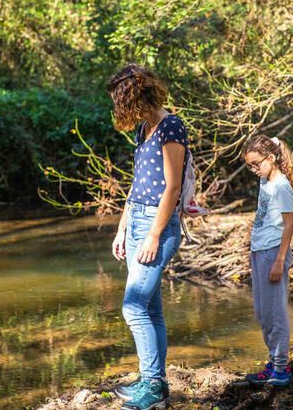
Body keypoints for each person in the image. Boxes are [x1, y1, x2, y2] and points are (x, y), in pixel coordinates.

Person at [107, 63, 188, 410]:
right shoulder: (144, 128)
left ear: (135, 96)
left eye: (119, 100)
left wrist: (153, 235)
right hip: (138, 219)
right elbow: (138, 184)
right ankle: (152, 382)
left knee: (134, 307)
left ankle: (153, 387)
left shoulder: (171, 126)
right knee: (151, 309)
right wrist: (123, 227)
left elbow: (172, 187)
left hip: (159, 225)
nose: (117, 108)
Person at [241, 134, 293, 386]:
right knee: (262, 312)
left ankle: (281, 369)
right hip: (260, 251)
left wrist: (279, 260)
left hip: (274, 252)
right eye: (250, 166)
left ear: (271, 158)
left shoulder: (281, 186)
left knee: (275, 313)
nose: (254, 170)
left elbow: (289, 226)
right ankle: (273, 362)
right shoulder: (265, 181)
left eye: (257, 164)